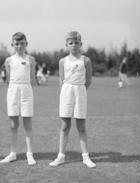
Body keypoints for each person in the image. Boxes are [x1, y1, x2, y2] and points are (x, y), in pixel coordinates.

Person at [49, 31, 96, 168]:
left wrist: (79, 90)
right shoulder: (62, 61)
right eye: (71, 43)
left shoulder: (86, 60)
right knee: (64, 126)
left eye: (76, 42)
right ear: (66, 45)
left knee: (81, 126)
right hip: (66, 93)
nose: (74, 45)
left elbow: (88, 80)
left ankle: (86, 157)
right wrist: (65, 92)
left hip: (80, 92)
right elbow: (61, 79)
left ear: (81, 44)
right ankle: (61, 156)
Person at [0, 32, 37, 165]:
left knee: (27, 124)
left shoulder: (31, 59)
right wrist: (13, 89)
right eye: (17, 44)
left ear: (26, 44)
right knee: (13, 125)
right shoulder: (8, 60)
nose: (19, 46)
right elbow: (8, 79)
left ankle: (29, 154)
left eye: (22, 43)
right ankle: (12, 153)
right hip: (13, 90)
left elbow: (33, 78)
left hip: (26, 90)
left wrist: (28, 88)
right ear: (12, 45)